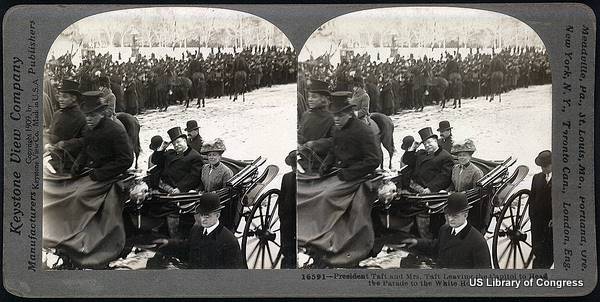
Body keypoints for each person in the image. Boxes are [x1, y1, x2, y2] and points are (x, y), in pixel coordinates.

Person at [43, 91, 134, 269]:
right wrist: (77, 166)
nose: (89, 119)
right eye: (87, 116)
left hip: (110, 174)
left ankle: (76, 234)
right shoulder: (90, 128)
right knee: (67, 187)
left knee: (79, 195)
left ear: (102, 113)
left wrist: (100, 174)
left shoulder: (115, 131)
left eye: (93, 115)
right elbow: (86, 149)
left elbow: (126, 160)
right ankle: (62, 229)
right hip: (94, 171)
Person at [297, 93, 380, 268]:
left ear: (349, 114)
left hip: (358, 176)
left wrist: (349, 173)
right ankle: (307, 229)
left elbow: (373, 160)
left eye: (339, 116)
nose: (335, 119)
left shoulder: (363, 131)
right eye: (334, 116)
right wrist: (325, 165)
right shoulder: (338, 128)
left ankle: (323, 235)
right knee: (310, 188)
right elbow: (334, 150)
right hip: (340, 172)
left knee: (327, 195)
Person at [152, 192, 246, 269]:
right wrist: (168, 243)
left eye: (207, 216)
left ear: (217, 215)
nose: (203, 219)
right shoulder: (196, 230)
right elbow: (186, 249)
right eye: (201, 215)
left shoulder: (229, 241)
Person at [402, 192, 492, 269]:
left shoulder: (477, 241)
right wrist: (417, 242)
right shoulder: (444, 230)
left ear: (465, 215)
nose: (451, 219)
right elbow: (435, 247)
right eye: (449, 215)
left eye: (455, 216)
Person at [152, 126, 204, 238]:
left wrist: (180, 188)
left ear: (185, 141)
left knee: (170, 211)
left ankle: (174, 238)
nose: (176, 145)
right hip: (164, 187)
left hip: (179, 191)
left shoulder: (194, 156)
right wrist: (161, 149)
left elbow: (194, 176)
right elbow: (155, 161)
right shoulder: (170, 153)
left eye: (179, 142)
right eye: (174, 143)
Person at [402, 127, 454, 239]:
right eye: (425, 143)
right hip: (414, 187)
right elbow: (407, 161)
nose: (427, 145)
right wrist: (412, 149)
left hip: (430, 191)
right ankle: (411, 232)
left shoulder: (445, 157)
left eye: (430, 142)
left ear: (436, 141)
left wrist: (430, 188)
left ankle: (430, 235)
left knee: (425, 212)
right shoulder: (421, 153)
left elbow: (444, 177)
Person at [45, 79, 87, 174]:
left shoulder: (81, 117)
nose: (60, 99)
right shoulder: (57, 114)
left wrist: (65, 144)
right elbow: (52, 133)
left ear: (74, 98)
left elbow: (86, 140)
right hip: (52, 157)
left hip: (70, 163)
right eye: (59, 96)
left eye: (64, 97)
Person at [297, 79, 335, 173]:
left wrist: (314, 144)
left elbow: (335, 141)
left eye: (314, 97)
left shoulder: (331, 118)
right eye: (309, 96)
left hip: (324, 165)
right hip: (305, 163)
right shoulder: (306, 115)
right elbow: (300, 134)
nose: (310, 99)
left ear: (323, 99)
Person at [448, 139, 486, 231]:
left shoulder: (476, 172)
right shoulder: (455, 168)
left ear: (470, 156)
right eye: (460, 155)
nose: (462, 158)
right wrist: (447, 191)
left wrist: (462, 196)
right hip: (455, 201)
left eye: (464, 155)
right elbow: (452, 185)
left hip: (470, 204)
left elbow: (477, 191)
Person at [530, 150, 553, 268]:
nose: (543, 169)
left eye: (546, 166)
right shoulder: (536, 178)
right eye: (541, 166)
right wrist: (532, 218)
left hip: (551, 223)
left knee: (549, 254)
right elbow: (532, 199)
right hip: (537, 222)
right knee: (538, 252)